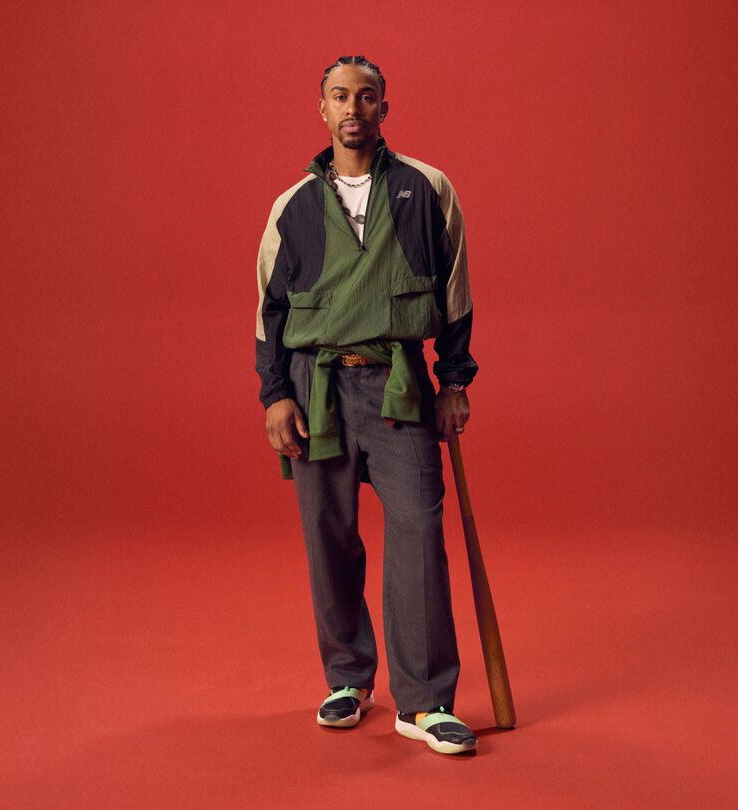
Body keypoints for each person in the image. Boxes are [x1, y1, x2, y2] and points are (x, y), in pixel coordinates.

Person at [254, 55, 479, 756]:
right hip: (315, 388)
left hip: (398, 384)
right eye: (340, 96)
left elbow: (455, 294)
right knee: (331, 538)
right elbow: (269, 311)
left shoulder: (426, 188)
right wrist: (274, 395)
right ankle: (348, 679)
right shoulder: (291, 207)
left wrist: (455, 380)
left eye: (367, 96)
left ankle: (425, 700)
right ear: (321, 109)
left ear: (385, 107)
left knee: (418, 535)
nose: (354, 107)